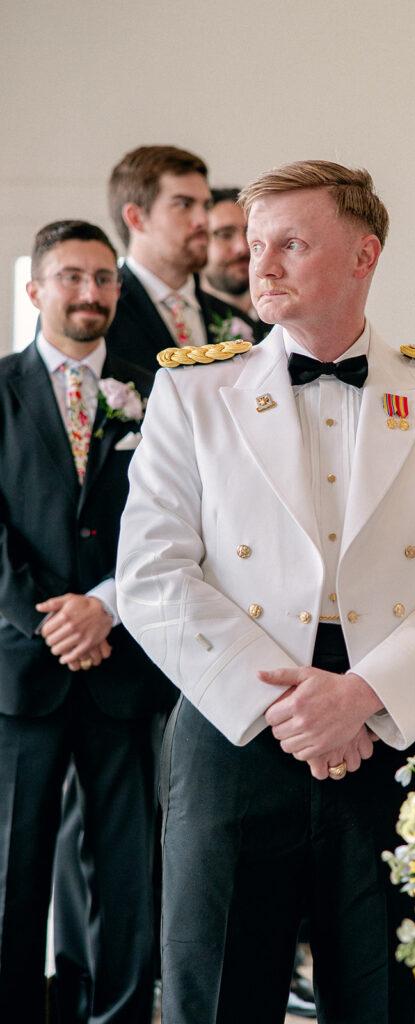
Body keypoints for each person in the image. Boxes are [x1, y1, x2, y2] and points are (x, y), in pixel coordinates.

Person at [115, 159, 415, 1024]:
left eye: (291, 244)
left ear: (365, 254)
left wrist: (361, 696)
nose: (258, 264)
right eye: (256, 244)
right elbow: (150, 574)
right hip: (236, 718)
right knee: (217, 997)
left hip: (392, 726)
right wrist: (292, 708)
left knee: (391, 1000)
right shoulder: (193, 389)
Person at [0, 220, 177, 1023]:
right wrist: (53, 622)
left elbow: (178, 521)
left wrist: (106, 605)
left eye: (105, 278)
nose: (91, 293)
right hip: (22, 669)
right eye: (72, 277)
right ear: (35, 289)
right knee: (15, 873)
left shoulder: (161, 392)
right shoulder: (1, 390)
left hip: (125, 664)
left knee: (126, 872)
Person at [105, 145, 217, 373]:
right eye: (184, 204)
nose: (203, 220)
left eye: (206, 205)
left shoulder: (232, 319)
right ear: (136, 218)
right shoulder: (102, 315)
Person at [201, 187, 270, 345]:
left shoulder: (283, 316)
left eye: (249, 233)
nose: (242, 247)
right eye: (225, 235)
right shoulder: (193, 322)